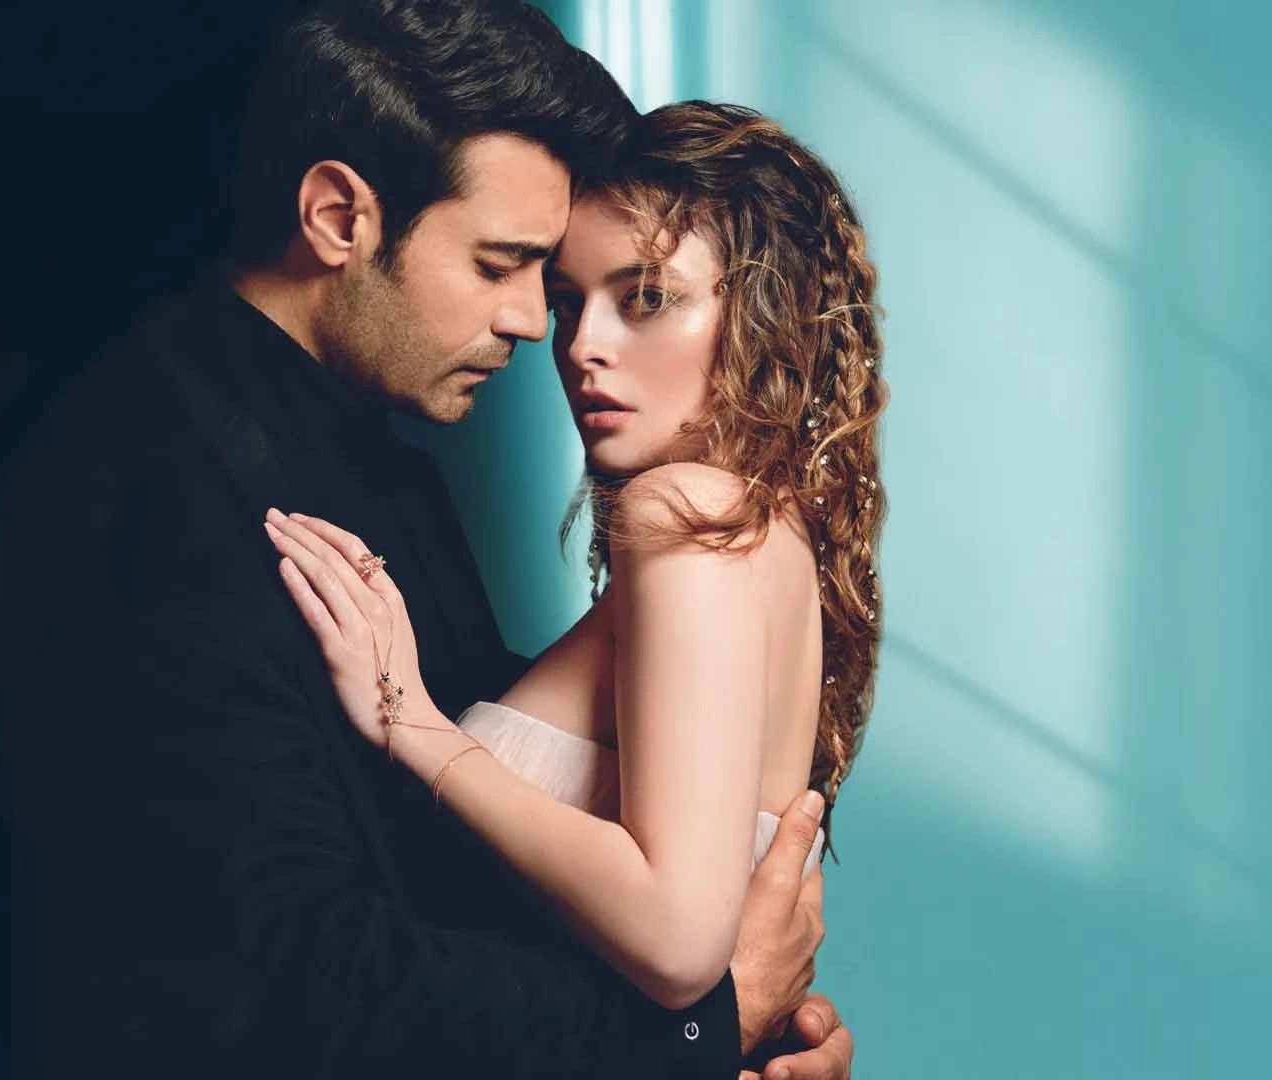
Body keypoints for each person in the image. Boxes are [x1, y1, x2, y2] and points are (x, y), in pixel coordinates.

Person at [0, 3, 855, 1075]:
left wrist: (742, 1038)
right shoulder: (149, 481)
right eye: (503, 265)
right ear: (339, 217)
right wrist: (702, 1033)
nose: (539, 326)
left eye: (631, 294)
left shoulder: (398, 469)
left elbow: (521, 840)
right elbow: (295, 982)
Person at [265, 96, 884, 1058]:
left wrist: (413, 725)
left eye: (645, 297)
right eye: (568, 302)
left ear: (764, 314)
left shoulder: (685, 514)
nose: (582, 345)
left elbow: (679, 940)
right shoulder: (768, 532)